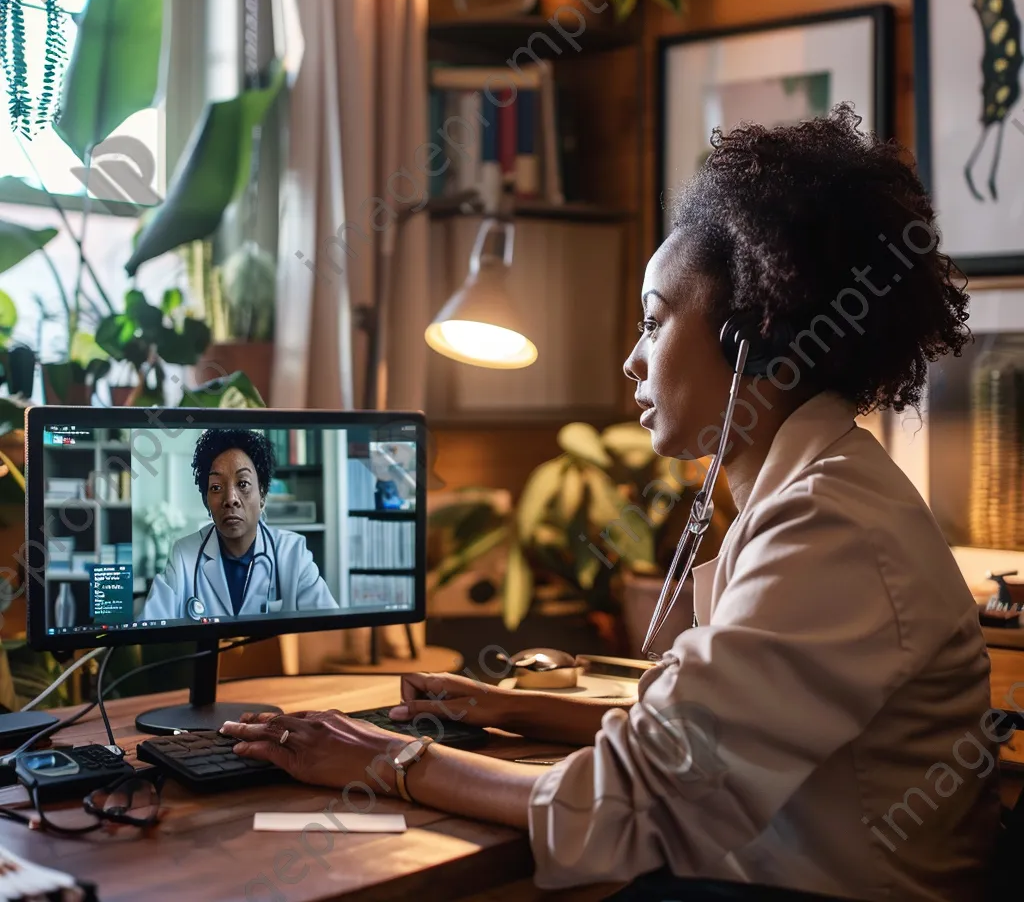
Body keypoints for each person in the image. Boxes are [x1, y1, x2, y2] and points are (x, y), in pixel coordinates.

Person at [219, 106, 998, 901]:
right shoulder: (815, 490)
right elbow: (700, 744)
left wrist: (382, 760)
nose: (632, 359)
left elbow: (632, 805)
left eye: (654, 322)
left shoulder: (829, 527)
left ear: (748, 341)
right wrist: (510, 710)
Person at [139, 428, 338, 622]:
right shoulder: (184, 555)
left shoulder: (293, 553)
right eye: (216, 487)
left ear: (262, 495)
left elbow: (330, 632)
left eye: (242, 484)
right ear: (206, 501)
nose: (231, 499)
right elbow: (147, 628)